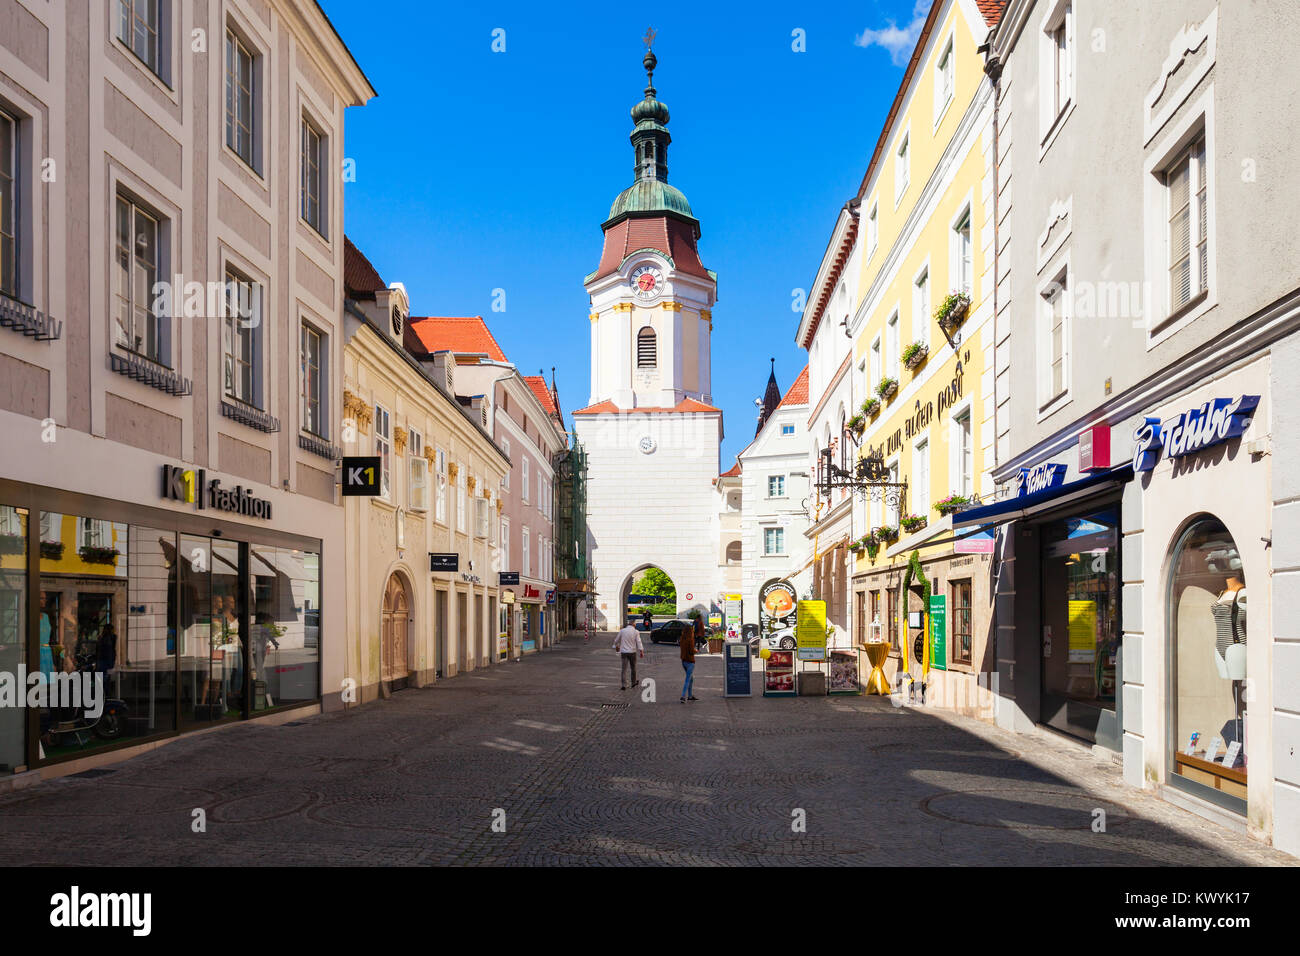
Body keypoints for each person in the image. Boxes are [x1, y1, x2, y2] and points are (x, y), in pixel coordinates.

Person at [612, 620, 644, 690]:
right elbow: (639, 642)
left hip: (624, 652)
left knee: (624, 669)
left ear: (628, 624)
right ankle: (633, 682)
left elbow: (616, 640)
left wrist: (615, 646)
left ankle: (624, 685)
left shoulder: (622, 631)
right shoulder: (636, 632)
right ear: (634, 625)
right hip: (632, 652)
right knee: (633, 668)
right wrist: (641, 651)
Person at [679, 622, 697, 702]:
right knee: (687, 679)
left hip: (684, 661)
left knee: (691, 679)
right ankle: (683, 696)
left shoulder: (682, 639)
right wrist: (695, 650)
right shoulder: (690, 640)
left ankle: (690, 696)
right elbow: (691, 651)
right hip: (690, 662)